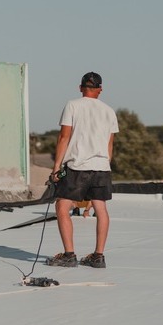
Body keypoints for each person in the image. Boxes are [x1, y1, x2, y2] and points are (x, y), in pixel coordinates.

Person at [46, 72, 119, 269]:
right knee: (101, 209)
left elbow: (64, 137)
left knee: (62, 207)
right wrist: (105, 164)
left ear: (80, 88)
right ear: (100, 89)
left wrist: (56, 167)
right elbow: (109, 143)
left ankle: (69, 255)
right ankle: (98, 256)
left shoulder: (72, 105)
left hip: (77, 166)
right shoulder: (109, 111)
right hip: (102, 167)